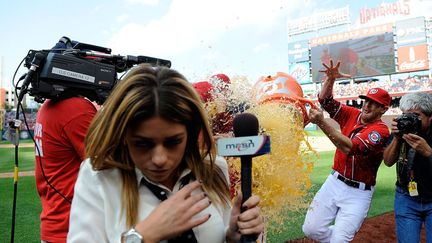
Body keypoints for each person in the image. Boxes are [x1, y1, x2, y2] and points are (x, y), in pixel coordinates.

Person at [67, 64, 264, 242]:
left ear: (192, 132)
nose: (159, 159)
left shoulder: (213, 169)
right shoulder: (98, 178)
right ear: (123, 136)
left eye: (173, 142)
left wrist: (231, 237)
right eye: (142, 144)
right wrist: (141, 237)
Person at [302, 60, 391, 242]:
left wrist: (321, 122)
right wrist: (330, 79)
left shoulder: (380, 131)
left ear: (384, 109)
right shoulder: (352, 114)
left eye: (374, 104)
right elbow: (325, 101)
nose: (367, 105)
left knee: (340, 240)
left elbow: (349, 147)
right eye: (366, 101)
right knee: (311, 230)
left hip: (358, 193)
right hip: (334, 183)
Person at [34, 95, 97, 243]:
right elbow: (108, 166)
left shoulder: (49, 105)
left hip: (57, 222)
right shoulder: (76, 108)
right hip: (74, 228)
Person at [383, 92, 432, 243]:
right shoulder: (402, 129)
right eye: (405, 114)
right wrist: (397, 139)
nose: (409, 119)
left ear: (430, 118)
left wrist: (429, 153)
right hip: (406, 197)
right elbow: (388, 161)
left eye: (415, 115)